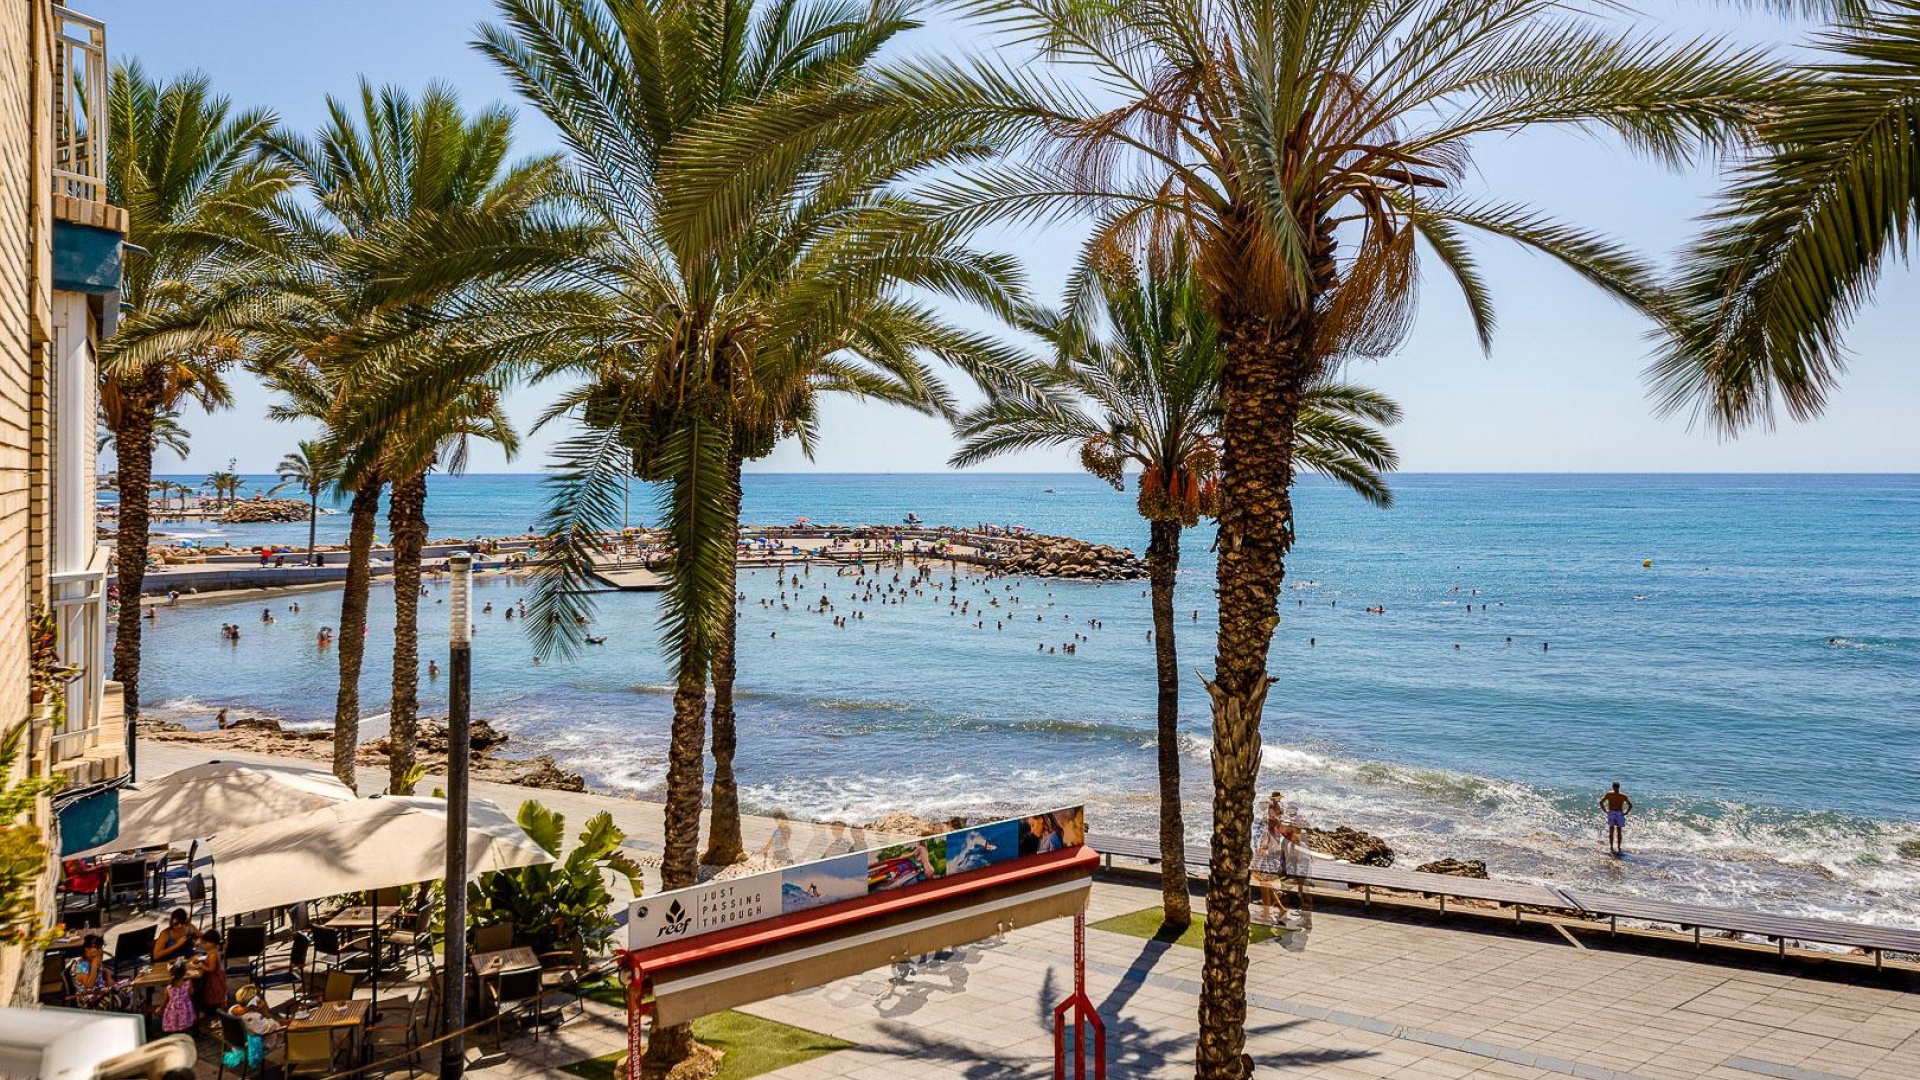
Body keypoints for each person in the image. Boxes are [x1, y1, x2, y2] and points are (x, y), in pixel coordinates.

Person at [67, 934, 127, 1010]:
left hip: (103, 992)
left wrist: (108, 977)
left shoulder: (93, 959)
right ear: (87, 949)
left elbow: (103, 970)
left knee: (130, 987)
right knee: (121, 998)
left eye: (100, 947)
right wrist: (94, 964)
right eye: (96, 948)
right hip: (90, 1001)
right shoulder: (81, 965)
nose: (99, 950)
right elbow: (88, 986)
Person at [195, 929, 228, 1017]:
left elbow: (211, 969)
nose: (204, 945)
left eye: (206, 943)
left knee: (212, 995)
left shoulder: (213, 955)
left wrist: (202, 966)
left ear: (212, 943)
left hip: (214, 979)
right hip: (214, 977)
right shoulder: (212, 952)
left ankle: (212, 1011)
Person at [159, 961, 197, 1035]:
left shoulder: (169, 988)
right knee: (185, 1028)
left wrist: (161, 1009)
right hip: (185, 1010)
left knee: (174, 1026)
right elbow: (191, 993)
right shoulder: (188, 984)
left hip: (172, 1011)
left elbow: (166, 1001)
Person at [1601, 782, 1633, 855]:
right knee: (1619, 832)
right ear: (1619, 787)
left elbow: (1601, 802)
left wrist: (1605, 811)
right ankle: (1618, 847)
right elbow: (1630, 805)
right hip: (1619, 813)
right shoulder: (1623, 795)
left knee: (1611, 831)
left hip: (1612, 813)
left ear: (1612, 786)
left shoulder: (1609, 794)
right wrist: (1625, 813)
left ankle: (1611, 847)